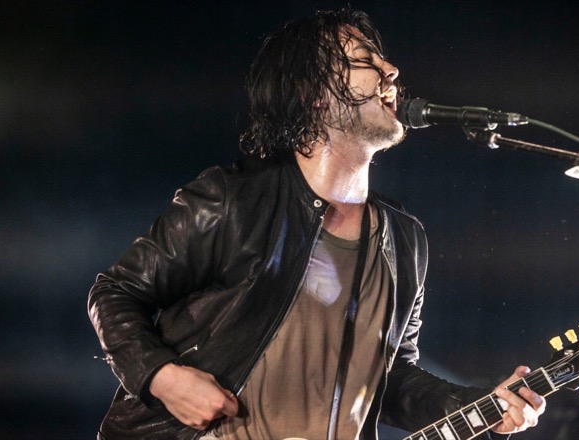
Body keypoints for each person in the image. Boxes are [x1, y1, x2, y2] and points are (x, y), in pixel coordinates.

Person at [88, 7, 545, 440]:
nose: (391, 70)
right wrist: (162, 377)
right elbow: (115, 292)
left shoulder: (405, 239)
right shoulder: (234, 200)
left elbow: (389, 380)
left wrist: (480, 406)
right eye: (364, 59)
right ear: (313, 95)